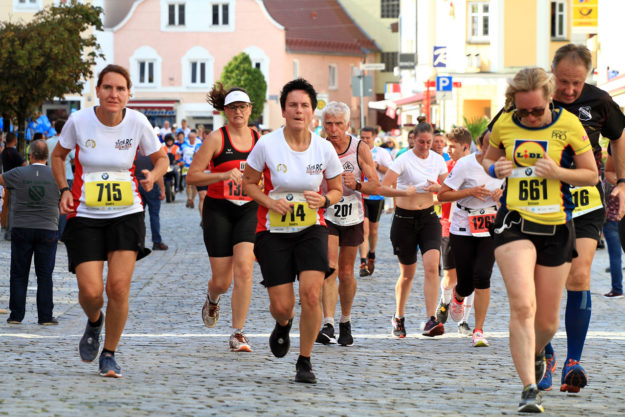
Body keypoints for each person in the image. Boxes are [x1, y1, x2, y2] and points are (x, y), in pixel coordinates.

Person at [483, 67, 597, 412]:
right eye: (524, 112)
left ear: (550, 99)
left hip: (556, 227)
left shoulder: (570, 125)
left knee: (547, 322)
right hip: (514, 223)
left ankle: (535, 351)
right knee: (522, 305)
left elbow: (591, 175)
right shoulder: (505, 123)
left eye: (537, 110)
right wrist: (494, 169)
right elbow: (487, 158)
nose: (530, 117)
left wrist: (558, 172)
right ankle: (529, 389)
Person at [51, 64, 168, 378]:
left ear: (129, 94)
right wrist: (63, 188)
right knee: (91, 293)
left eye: (120, 89)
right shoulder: (79, 121)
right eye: (108, 88)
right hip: (85, 215)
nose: (114, 94)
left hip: (126, 214)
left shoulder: (138, 122)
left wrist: (153, 176)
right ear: (98, 90)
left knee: (118, 287)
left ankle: (109, 353)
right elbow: (58, 156)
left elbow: (162, 158)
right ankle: (94, 321)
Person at [242, 78, 343, 383]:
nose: (299, 111)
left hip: (312, 228)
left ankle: (305, 361)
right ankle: (283, 324)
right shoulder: (267, 145)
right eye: (293, 105)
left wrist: (324, 200)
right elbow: (248, 183)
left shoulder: (323, 148)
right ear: (283, 110)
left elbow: (337, 189)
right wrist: (269, 202)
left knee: (311, 295)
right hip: (272, 232)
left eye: (305, 106)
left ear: (313, 111)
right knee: (282, 306)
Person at [315, 104, 410, 347]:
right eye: (329, 124)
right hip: (326, 213)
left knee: (346, 272)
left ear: (348, 125)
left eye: (338, 124)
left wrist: (356, 184)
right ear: (323, 125)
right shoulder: (318, 147)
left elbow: (376, 185)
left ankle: (345, 320)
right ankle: (328, 323)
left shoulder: (359, 148)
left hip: (352, 215)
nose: (333, 129)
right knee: (330, 267)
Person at [187, 83, 260, 352]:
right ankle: (213, 298)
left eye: (242, 107)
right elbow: (192, 176)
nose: (238, 112)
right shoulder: (217, 139)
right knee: (222, 281)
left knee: (245, 268)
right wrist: (222, 175)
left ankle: (238, 333)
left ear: (250, 109)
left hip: (249, 209)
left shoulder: (260, 140)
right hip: (219, 209)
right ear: (225, 111)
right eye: (232, 107)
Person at [438, 128, 503, 347]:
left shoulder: (506, 166)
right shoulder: (465, 164)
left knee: (482, 276)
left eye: (497, 146)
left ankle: (478, 330)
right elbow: (442, 195)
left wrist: (503, 196)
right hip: (463, 226)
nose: (493, 150)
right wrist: (469, 191)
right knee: (465, 283)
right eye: (488, 145)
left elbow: (515, 196)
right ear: (480, 144)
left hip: (490, 225)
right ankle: (458, 296)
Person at [382, 122, 448, 338]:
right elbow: (384, 187)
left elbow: (448, 189)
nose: (425, 146)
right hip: (404, 220)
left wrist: (438, 188)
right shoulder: (403, 159)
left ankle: (431, 319)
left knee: (432, 267)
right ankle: (398, 317)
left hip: (428, 218)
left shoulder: (438, 160)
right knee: (407, 274)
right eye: (421, 142)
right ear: (413, 139)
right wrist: (404, 192)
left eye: (429, 142)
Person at [1, 140, 60, 325]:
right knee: (45, 274)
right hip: (48, 228)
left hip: (22, 227)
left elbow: (1, 180)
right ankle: (45, 316)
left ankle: (16, 315)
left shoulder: (18, 173)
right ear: (47, 156)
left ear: (30, 155)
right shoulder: (56, 174)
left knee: (19, 273)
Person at [435, 129, 475, 337]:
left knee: (471, 276)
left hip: (474, 227)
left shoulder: (478, 167)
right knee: (450, 276)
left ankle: (464, 321)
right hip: (449, 225)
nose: (447, 150)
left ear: (465, 147)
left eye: (452, 146)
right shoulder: (447, 167)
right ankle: (444, 301)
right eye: (447, 146)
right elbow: (438, 195)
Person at [358, 126, 393, 277]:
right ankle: (363, 262)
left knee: (373, 230)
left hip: (376, 196)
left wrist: (376, 165)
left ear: (374, 138)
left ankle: (371, 253)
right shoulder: (356, 150)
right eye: (362, 137)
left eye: (368, 138)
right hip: (361, 194)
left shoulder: (382, 153)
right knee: (364, 229)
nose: (365, 140)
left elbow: (391, 172)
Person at [47, 119, 75, 239]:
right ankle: (61, 234)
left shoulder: (47, 142)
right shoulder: (68, 142)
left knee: (52, 206)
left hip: (50, 176)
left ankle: (51, 232)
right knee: (64, 205)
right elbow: (74, 158)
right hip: (66, 176)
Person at [136, 154, 168, 251]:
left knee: (139, 216)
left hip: (137, 185)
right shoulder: (154, 155)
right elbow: (159, 175)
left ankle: (139, 242)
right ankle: (156, 242)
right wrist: (163, 190)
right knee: (154, 215)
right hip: (151, 185)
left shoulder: (135, 154)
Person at [603, 155, 623, 298]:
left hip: (611, 219)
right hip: (616, 219)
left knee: (615, 257)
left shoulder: (609, 181)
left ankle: (617, 289)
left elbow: (603, 199)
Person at [1, 132, 26, 240]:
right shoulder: (13, 152)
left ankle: (7, 229)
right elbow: (24, 164)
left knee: (7, 206)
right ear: (15, 140)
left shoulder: (4, 152)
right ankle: (10, 232)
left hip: (7, 180)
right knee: (13, 207)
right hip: (15, 181)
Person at [181, 130, 201, 208]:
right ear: (188, 138)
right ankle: (189, 199)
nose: (192, 139)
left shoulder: (199, 144)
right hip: (186, 166)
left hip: (196, 167)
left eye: (193, 137)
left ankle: (192, 199)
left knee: (195, 185)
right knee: (188, 183)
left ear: (195, 137)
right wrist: (180, 160)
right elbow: (178, 153)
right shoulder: (184, 145)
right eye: (191, 137)